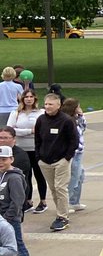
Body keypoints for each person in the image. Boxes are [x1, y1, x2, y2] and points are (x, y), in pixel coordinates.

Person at [35, 91, 78, 232]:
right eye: (46, 104)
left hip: (61, 161)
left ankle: (62, 217)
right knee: (53, 189)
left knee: (60, 188)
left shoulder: (66, 120)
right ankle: (61, 211)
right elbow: (37, 139)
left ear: (58, 105)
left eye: (51, 104)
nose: (47, 107)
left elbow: (74, 141)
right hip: (44, 161)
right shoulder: (41, 120)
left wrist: (66, 158)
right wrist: (38, 157)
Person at [0, 145, 34, 256]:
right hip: (2, 219)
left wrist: (6, 219)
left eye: (4, 159)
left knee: (18, 247)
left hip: (10, 220)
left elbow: (17, 201)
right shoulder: (2, 175)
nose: (1, 162)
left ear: (11, 159)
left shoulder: (14, 177)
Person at [8, 90, 44, 212]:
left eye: (31, 96)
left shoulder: (40, 113)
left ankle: (43, 201)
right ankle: (27, 201)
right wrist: (30, 131)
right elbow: (11, 130)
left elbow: (41, 129)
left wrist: (22, 131)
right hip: (21, 149)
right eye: (26, 97)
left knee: (39, 175)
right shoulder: (16, 113)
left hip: (36, 148)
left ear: (35, 98)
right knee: (25, 176)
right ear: (22, 99)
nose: (29, 99)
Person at [63, 97, 87, 212]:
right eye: (78, 106)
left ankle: (74, 201)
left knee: (80, 176)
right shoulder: (67, 121)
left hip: (79, 152)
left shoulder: (77, 119)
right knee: (73, 177)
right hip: (73, 153)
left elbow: (83, 128)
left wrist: (81, 116)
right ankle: (66, 203)